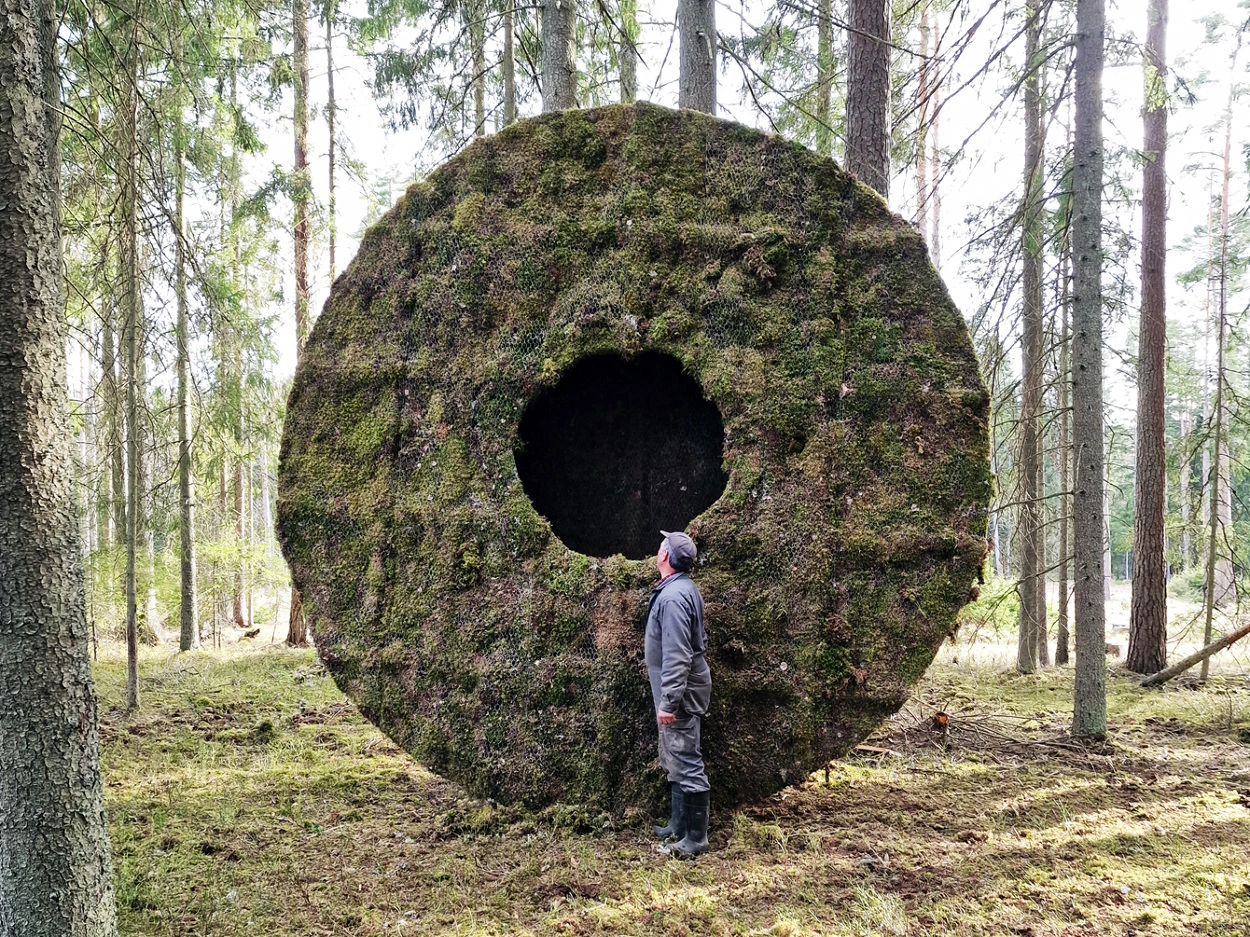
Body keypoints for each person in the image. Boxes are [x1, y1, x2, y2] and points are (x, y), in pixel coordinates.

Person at [646, 530, 712, 858]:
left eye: (662, 546)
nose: (657, 548)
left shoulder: (673, 597)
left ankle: (695, 839)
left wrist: (669, 701)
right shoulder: (680, 588)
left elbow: (678, 654)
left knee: (686, 756)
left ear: (666, 558)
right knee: (674, 754)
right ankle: (678, 824)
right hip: (678, 690)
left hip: (680, 694)